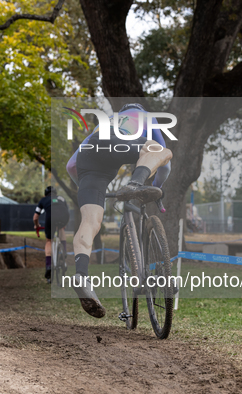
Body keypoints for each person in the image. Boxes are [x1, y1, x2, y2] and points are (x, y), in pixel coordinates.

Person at [66, 103, 172, 318]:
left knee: (90, 221)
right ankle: (135, 184)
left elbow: (71, 166)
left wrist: (88, 190)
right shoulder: (144, 115)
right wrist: (157, 187)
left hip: (91, 159)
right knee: (162, 151)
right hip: (118, 144)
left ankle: (82, 275)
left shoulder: (106, 121)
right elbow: (164, 163)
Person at [33, 186, 70, 283]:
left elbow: (35, 217)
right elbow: (66, 211)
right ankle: (64, 250)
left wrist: (37, 225)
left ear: (46, 194)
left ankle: (49, 265)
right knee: (61, 229)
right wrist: (64, 224)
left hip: (50, 217)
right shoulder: (61, 198)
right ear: (55, 193)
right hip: (64, 216)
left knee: (49, 240)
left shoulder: (43, 200)